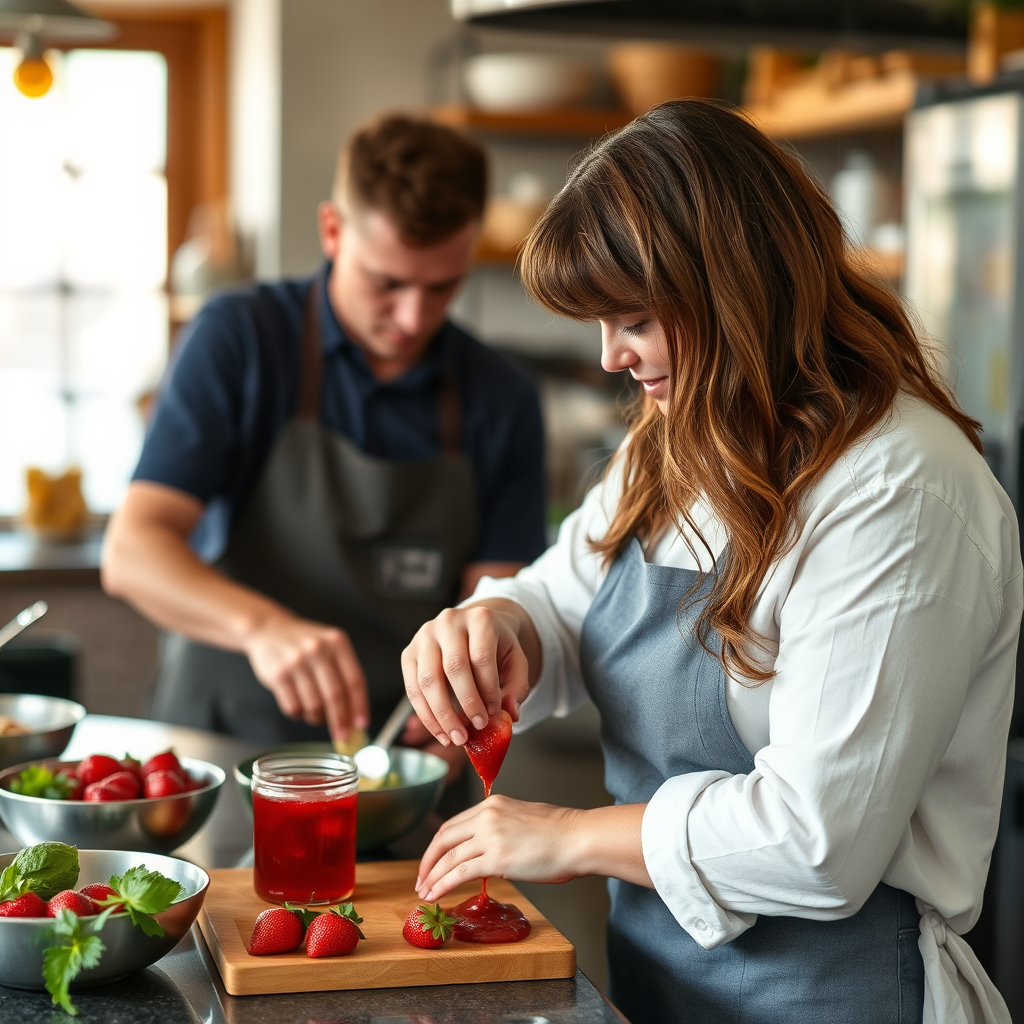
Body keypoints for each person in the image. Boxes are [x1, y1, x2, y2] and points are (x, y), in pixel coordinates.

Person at [401, 100, 1021, 1024]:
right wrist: (502, 623)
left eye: (635, 320)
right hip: (662, 986)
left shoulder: (900, 488)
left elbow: (818, 841)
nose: (610, 356)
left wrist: (565, 836)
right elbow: (565, 598)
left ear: (739, 292)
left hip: (831, 998)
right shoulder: (677, 439)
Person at [102, 114, 546, 767]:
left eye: (442, 286)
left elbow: (496, 611)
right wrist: (263, 628)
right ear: (332, 231)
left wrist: (456, 738)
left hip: (393, 767)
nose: (413, 318)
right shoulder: (240, 339)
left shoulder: (502, 396)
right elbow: (133, 551)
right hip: (222, 750)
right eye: (387, 283)